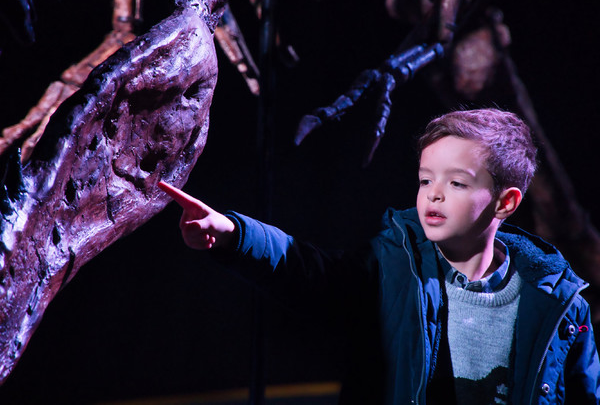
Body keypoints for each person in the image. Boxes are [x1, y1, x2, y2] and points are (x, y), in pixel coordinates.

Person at [158, 108, 600, 404]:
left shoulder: (558, 301)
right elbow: (314, 275)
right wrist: (236, 234)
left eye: (458, 183)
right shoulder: (394, 266)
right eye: (427, 180)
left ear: (505, 202)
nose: (435, 194)